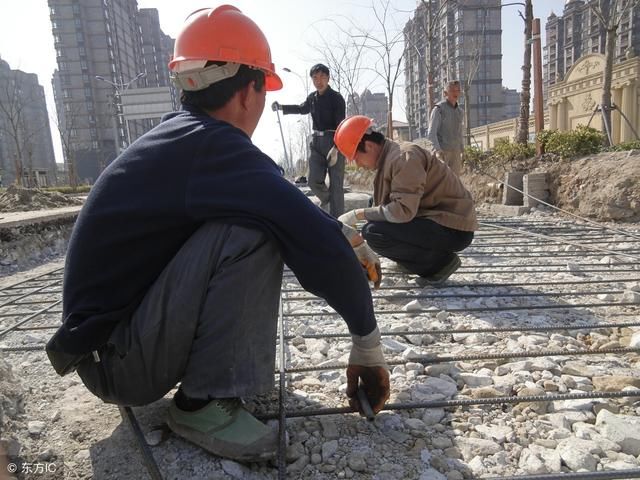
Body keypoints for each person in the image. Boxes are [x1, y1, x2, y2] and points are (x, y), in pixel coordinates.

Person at [45, 6, 389, 463]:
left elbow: (293, 209)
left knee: (259, 215)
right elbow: (302, 231)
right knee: (254, 230)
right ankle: (203, 404)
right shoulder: (215, 147)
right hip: (120, 363)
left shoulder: (184, 139)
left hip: (109, 348)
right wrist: (367, 343)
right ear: (249, 91)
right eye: (264, 91)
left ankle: (209, 386)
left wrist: (348, 237)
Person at [334, 115, 478, 285]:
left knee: (374, 232)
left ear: (369, 145)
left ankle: (439, 264)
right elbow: (384, 206)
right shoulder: (389, 159)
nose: (357, 165)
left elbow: (402, 211)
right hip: (435, 222)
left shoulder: (403, 157)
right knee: (375, 218)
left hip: (453, 229)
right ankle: (413, 262)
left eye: (356, 158)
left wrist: (357, 214)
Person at [271, 64, 346, 217]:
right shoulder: (312, 98)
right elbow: (301, 108)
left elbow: (341, 124)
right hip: (316, 144)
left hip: (334, 142)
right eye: (315, 78)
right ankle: (329, 201)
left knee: (336, 185)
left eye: (322, 77)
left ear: (328, 78)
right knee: (313, 180)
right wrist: (281, 107)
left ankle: (338, 222)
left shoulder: (336, 98)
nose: (319, 81)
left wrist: (337, 148)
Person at [427, 80, 465, 176]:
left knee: (455, 182)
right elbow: (431, 133)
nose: (455, 93)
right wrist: (437, 151)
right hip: (443, 153)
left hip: (455, 152)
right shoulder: (438, 110)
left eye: (458, 90)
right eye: (452, 90)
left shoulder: (460, 112)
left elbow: (460, 133)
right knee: (441, 182)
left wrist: (462, 150)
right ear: (445, 93)